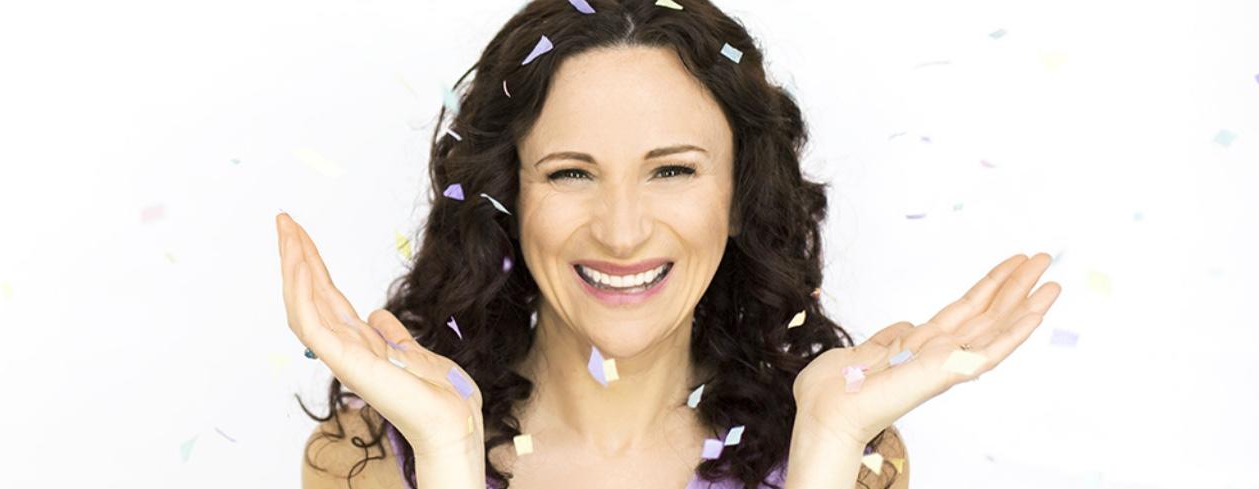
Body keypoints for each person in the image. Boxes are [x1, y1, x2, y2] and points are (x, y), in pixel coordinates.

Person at [273, 0, 1064, 487]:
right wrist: (446, 456)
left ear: (739, 196)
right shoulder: (369, 455)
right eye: (570, 172)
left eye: (672, 170)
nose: (621, 231)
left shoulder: (849, 448)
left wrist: (826, 445)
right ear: (508, 198)